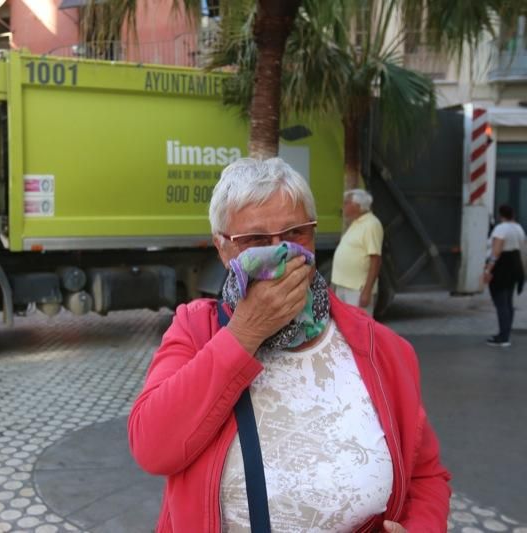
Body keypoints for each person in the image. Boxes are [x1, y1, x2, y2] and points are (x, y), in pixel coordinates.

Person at [128, 158, 450, 533]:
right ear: (222, 248)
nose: (280, 252)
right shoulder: (196, 329)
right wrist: (245, 332)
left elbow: (426, 475)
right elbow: (153, 447)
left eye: (295, 234)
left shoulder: (382, 348)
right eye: (255, 241)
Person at [331, 189, 384, 315]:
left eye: (346, 203)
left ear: (358, 206)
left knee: (359, 329)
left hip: (357, 289)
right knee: (344, 326)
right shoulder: (356, 223)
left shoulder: (372, 224)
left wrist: (367, 291)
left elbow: (376, 259)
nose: (343, 206)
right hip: (343, 286)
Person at [483, 204, 526, 348]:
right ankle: (505, 333)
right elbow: (522, 248)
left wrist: (488, 270)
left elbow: (496, 250)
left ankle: (503, 336)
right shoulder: (519, 228)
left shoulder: (501, 228)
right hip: (514, 266)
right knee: (508, 302)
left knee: (501, 303)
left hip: (502, 267)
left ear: (501, 214)